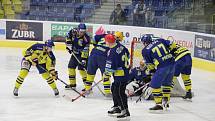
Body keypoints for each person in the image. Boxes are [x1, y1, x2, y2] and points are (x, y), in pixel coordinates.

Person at [141, 35, 175, 110]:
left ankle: (159, 104)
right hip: (172, 63)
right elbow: (172, 44)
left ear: (144, 42)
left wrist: (152, 71)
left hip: (163, 66)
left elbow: (150, 64)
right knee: (166, 84)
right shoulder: (160, 40)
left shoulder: (145, 50)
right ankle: (166, 102)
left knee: (154, 85)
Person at [103, 34, 130, 118]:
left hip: (120, 75)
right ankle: (117, 107)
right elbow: (128, 55)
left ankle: (125, 110)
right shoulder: (121, 46)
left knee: (119, 92)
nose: (105, 42)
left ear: (108, 42)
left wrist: (107, 73)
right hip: (123, 72)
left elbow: (111, 65)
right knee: (114, 89)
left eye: (106, 41)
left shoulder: (112, 51)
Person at [84, 28, 112, 96]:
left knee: (90, 74)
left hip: (93, 54)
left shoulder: (99, 36)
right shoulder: (113, 39)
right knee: (106, 74)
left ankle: (87, 89)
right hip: (103, 57)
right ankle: (107, 92)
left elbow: (93, 42)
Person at [65, 23, 91, 89]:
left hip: (82, 55)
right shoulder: (72, 32)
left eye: (84, 32)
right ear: (78, 30)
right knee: (71, 67)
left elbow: (86, 50)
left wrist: (84, 59)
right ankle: (72, 84)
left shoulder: (86, 38)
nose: (82, 33)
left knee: (82, 69)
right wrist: (69, 46)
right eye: (81, 31)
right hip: (75, 53)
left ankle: (88, 87)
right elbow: (68, 38)